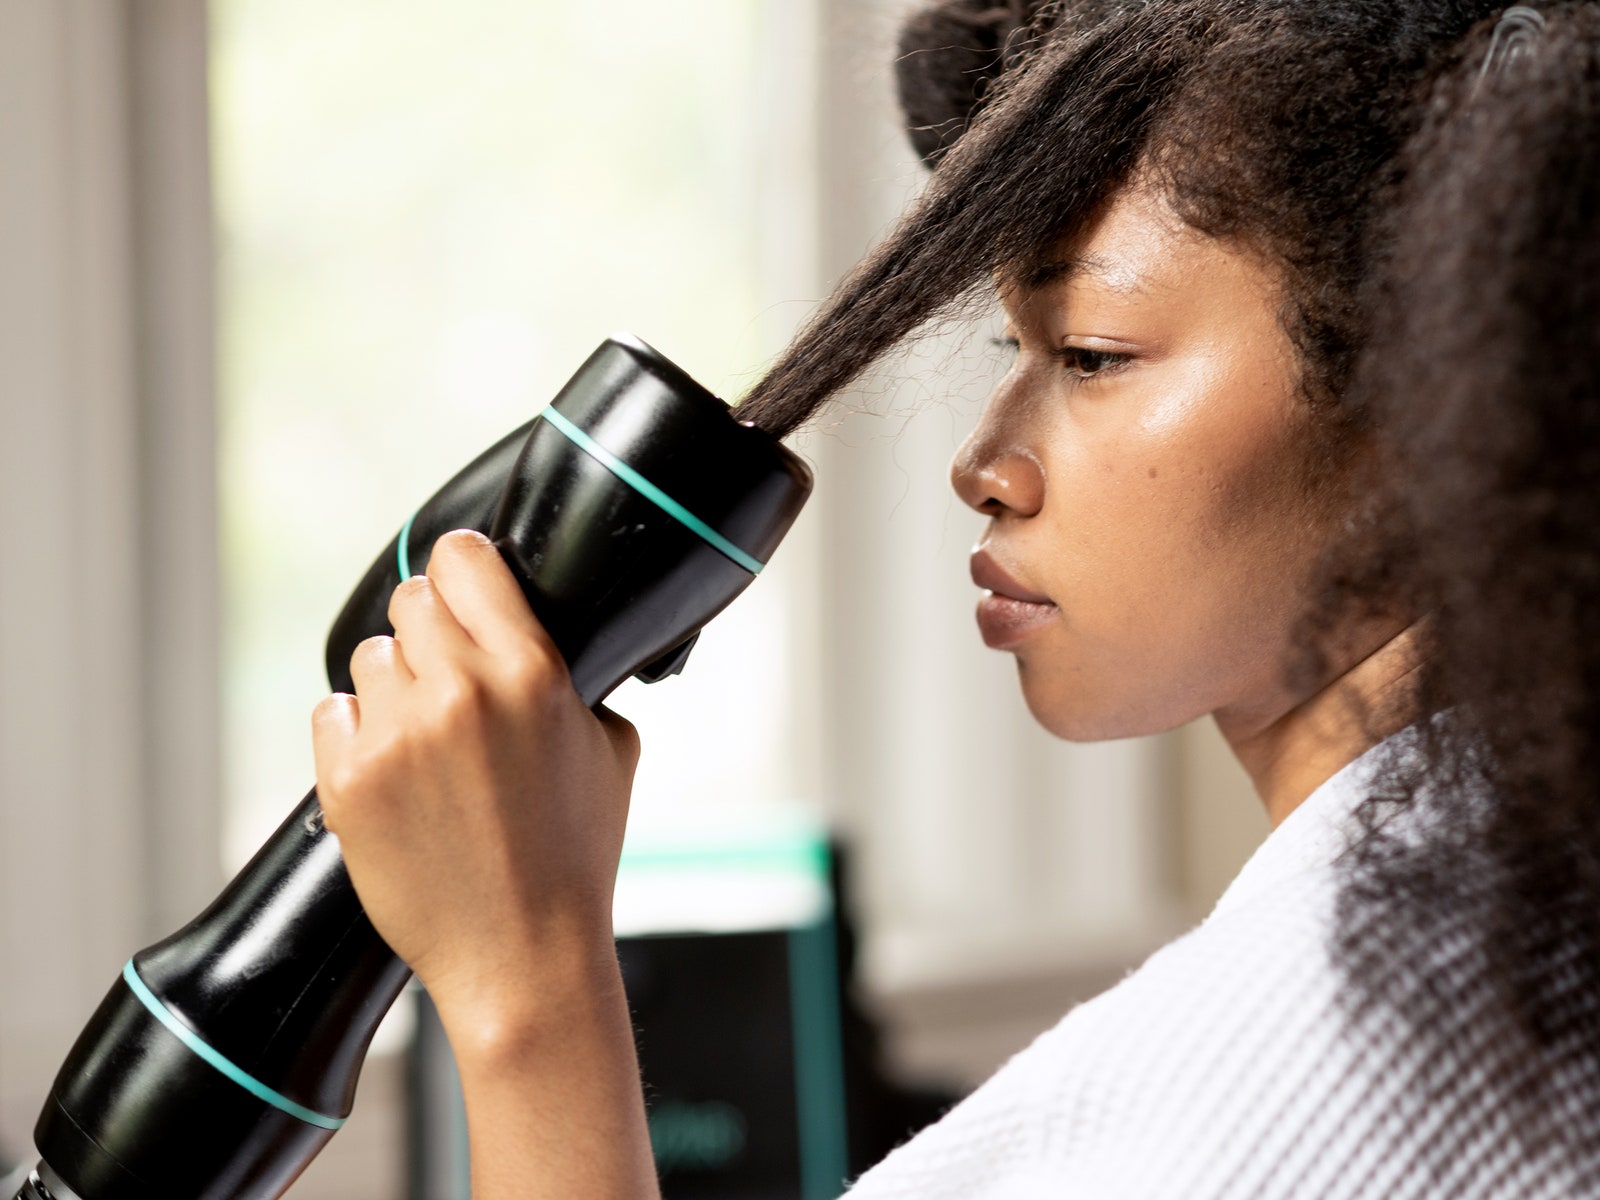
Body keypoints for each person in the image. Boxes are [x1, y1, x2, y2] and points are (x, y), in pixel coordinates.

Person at [313, 1, 1600, 1195]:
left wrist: (521, 985)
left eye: (1090, 354)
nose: (983, 466)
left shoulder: (1294, 1072)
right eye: (1012, 349)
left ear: (1440, 395)